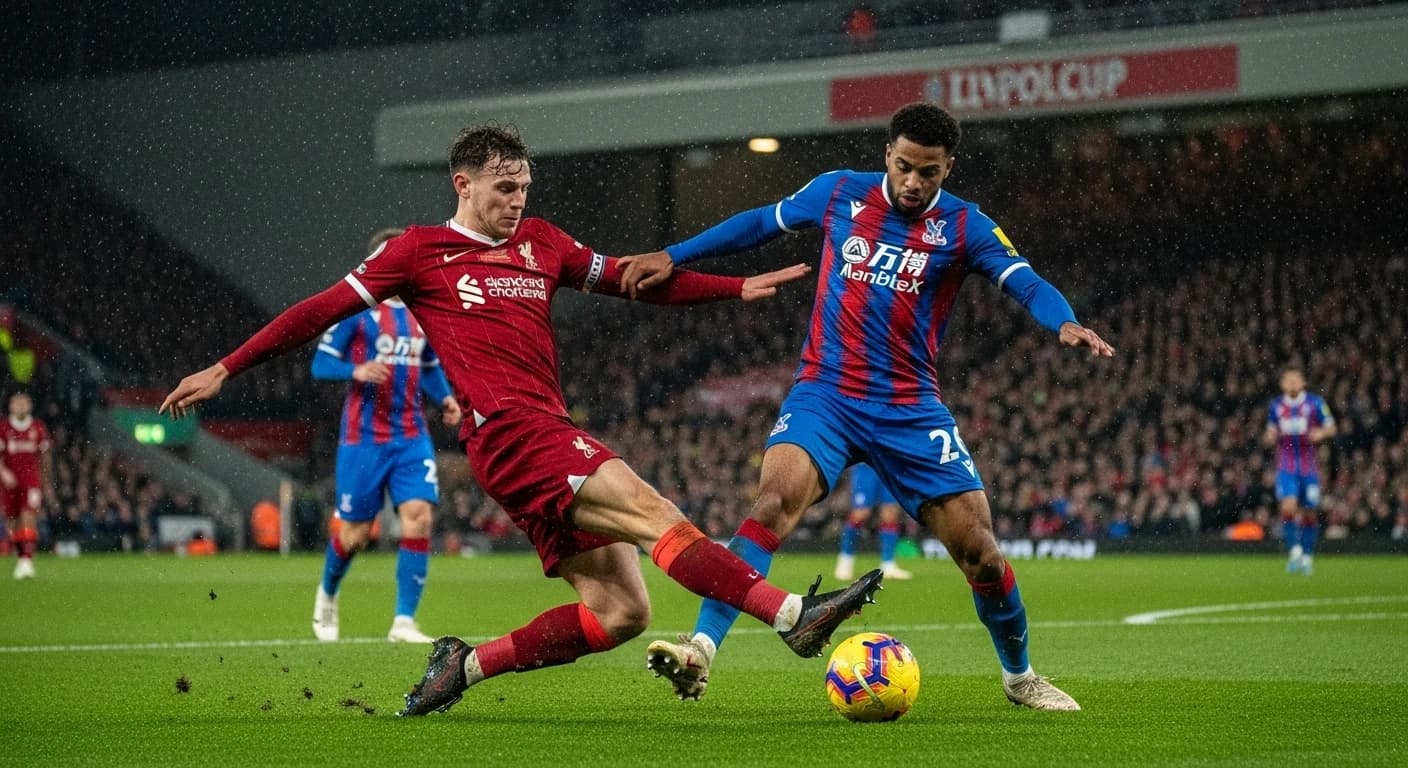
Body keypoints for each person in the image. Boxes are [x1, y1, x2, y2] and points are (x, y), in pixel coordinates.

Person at [159, 123, 883, 718]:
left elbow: (634, 279)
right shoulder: (419, 252)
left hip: (542, 431)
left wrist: (730, 287)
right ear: (462, 185)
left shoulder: (542, 241)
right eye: (504, 189)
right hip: (511, 434)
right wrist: (226, 367)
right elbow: (320, 310)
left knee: (620, 612)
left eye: (524, 187)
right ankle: (792, 617)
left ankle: (462, 668)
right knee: (654, 510)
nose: (516, 201)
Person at [621, 102, 1114, 710]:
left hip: (910, 410)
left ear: (947, 168)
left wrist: (1062, 322)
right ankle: (700, 649)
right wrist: (676, 253)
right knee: (772, 501)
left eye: (928, 173)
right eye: (904, 166)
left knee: (980, 551)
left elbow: (1026, 281)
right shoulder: (838, 194)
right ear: (887, 154)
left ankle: (1020, 677)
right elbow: (758, 223)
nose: (912, 182)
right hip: (825, 395)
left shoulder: (965, 226)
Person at [310, 227, 465, 644]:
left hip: (411, 437)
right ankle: (327, 592)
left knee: (419, 517)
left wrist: (446, 399)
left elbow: (429, 366)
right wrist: (355, 370)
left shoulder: (420, 314)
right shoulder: (357, 313)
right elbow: (320, 366)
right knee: (356, 534)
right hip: (363, 440)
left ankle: (403, 622)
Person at [1262, 366, 1335, 575]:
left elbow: (1331, 427)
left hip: (1309, 467)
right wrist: (1269, 436)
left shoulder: (1315, 403)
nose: (1292, 383)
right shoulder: (1276, 406)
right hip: (1286, 467)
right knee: (1288, 507)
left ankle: (1308, 557)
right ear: (1282, 384)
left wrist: (1321, 433)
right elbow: (1271, 429)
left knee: (1310, 513)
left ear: (1303, 382)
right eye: (1288, 380)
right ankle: (1294, 552)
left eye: (1296, 379)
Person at [1, 390, 51, 579]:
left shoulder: (37, 428)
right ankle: (21, 557)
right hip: (8, 484)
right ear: (11, 406)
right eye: (17, 402)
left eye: (24, 402)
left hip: (31, 482)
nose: (21, 406)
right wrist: (3, 472)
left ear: (30, 405)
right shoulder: (3, 428)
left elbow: (45, 456)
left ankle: (26, 559)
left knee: (28, 517)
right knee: (12, 523)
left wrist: (45, 480)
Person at [835, 463, 912, 581]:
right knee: (860, 514)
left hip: (889, 466)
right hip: (867, 467)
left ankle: (888, 563)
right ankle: (845, 560)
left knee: (890, 514)